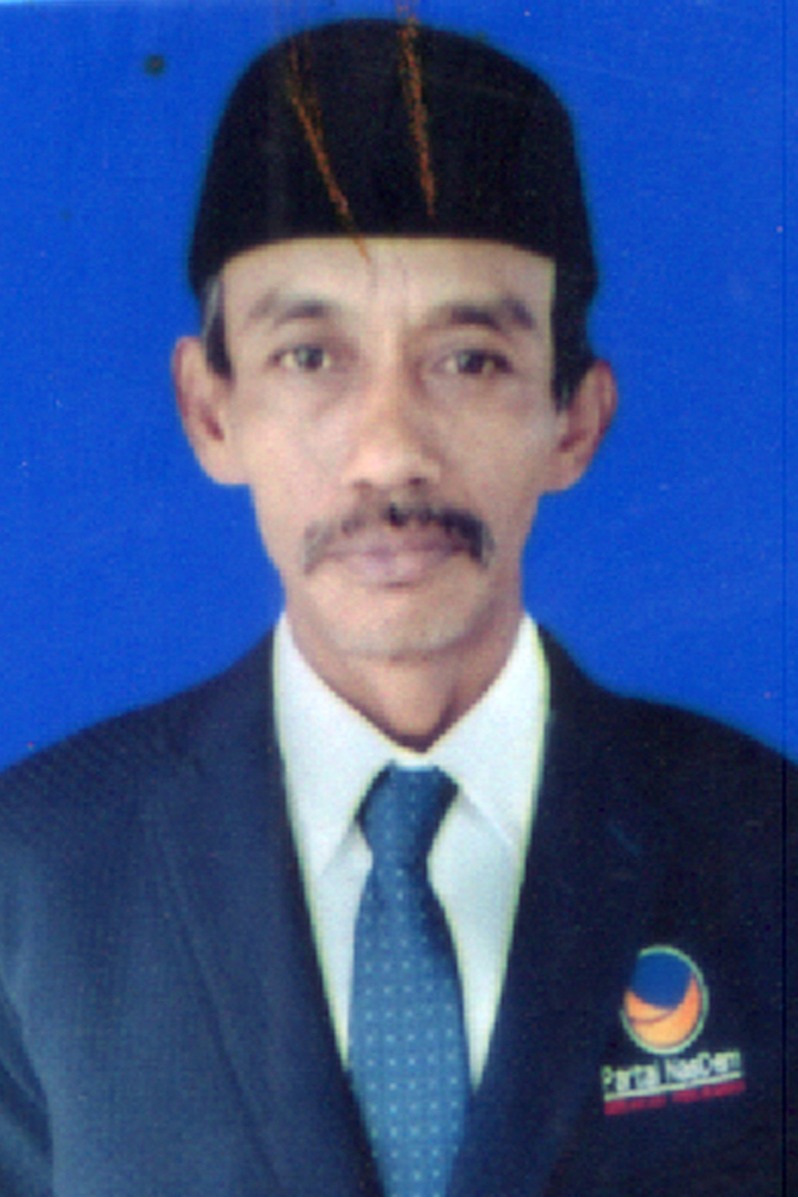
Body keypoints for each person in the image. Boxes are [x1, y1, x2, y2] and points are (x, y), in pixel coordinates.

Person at [0, 17, 791, 1197]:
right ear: (211, 411)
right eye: (310, 357)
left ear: (574, 419)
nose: (389, 453)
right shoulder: (35, 874)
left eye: (469, 359)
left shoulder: (766, 845)